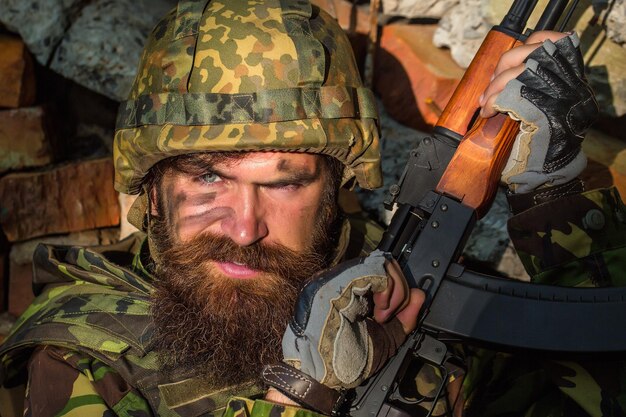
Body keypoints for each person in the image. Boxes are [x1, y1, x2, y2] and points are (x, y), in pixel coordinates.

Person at [0, 1, 623, 416]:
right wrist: (302, 396)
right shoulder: (86, 356)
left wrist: (559, 197)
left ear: (336, 186)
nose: (244, 229)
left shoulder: (402, 294)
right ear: (152, 190)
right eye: (207, 177)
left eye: (284, 183)